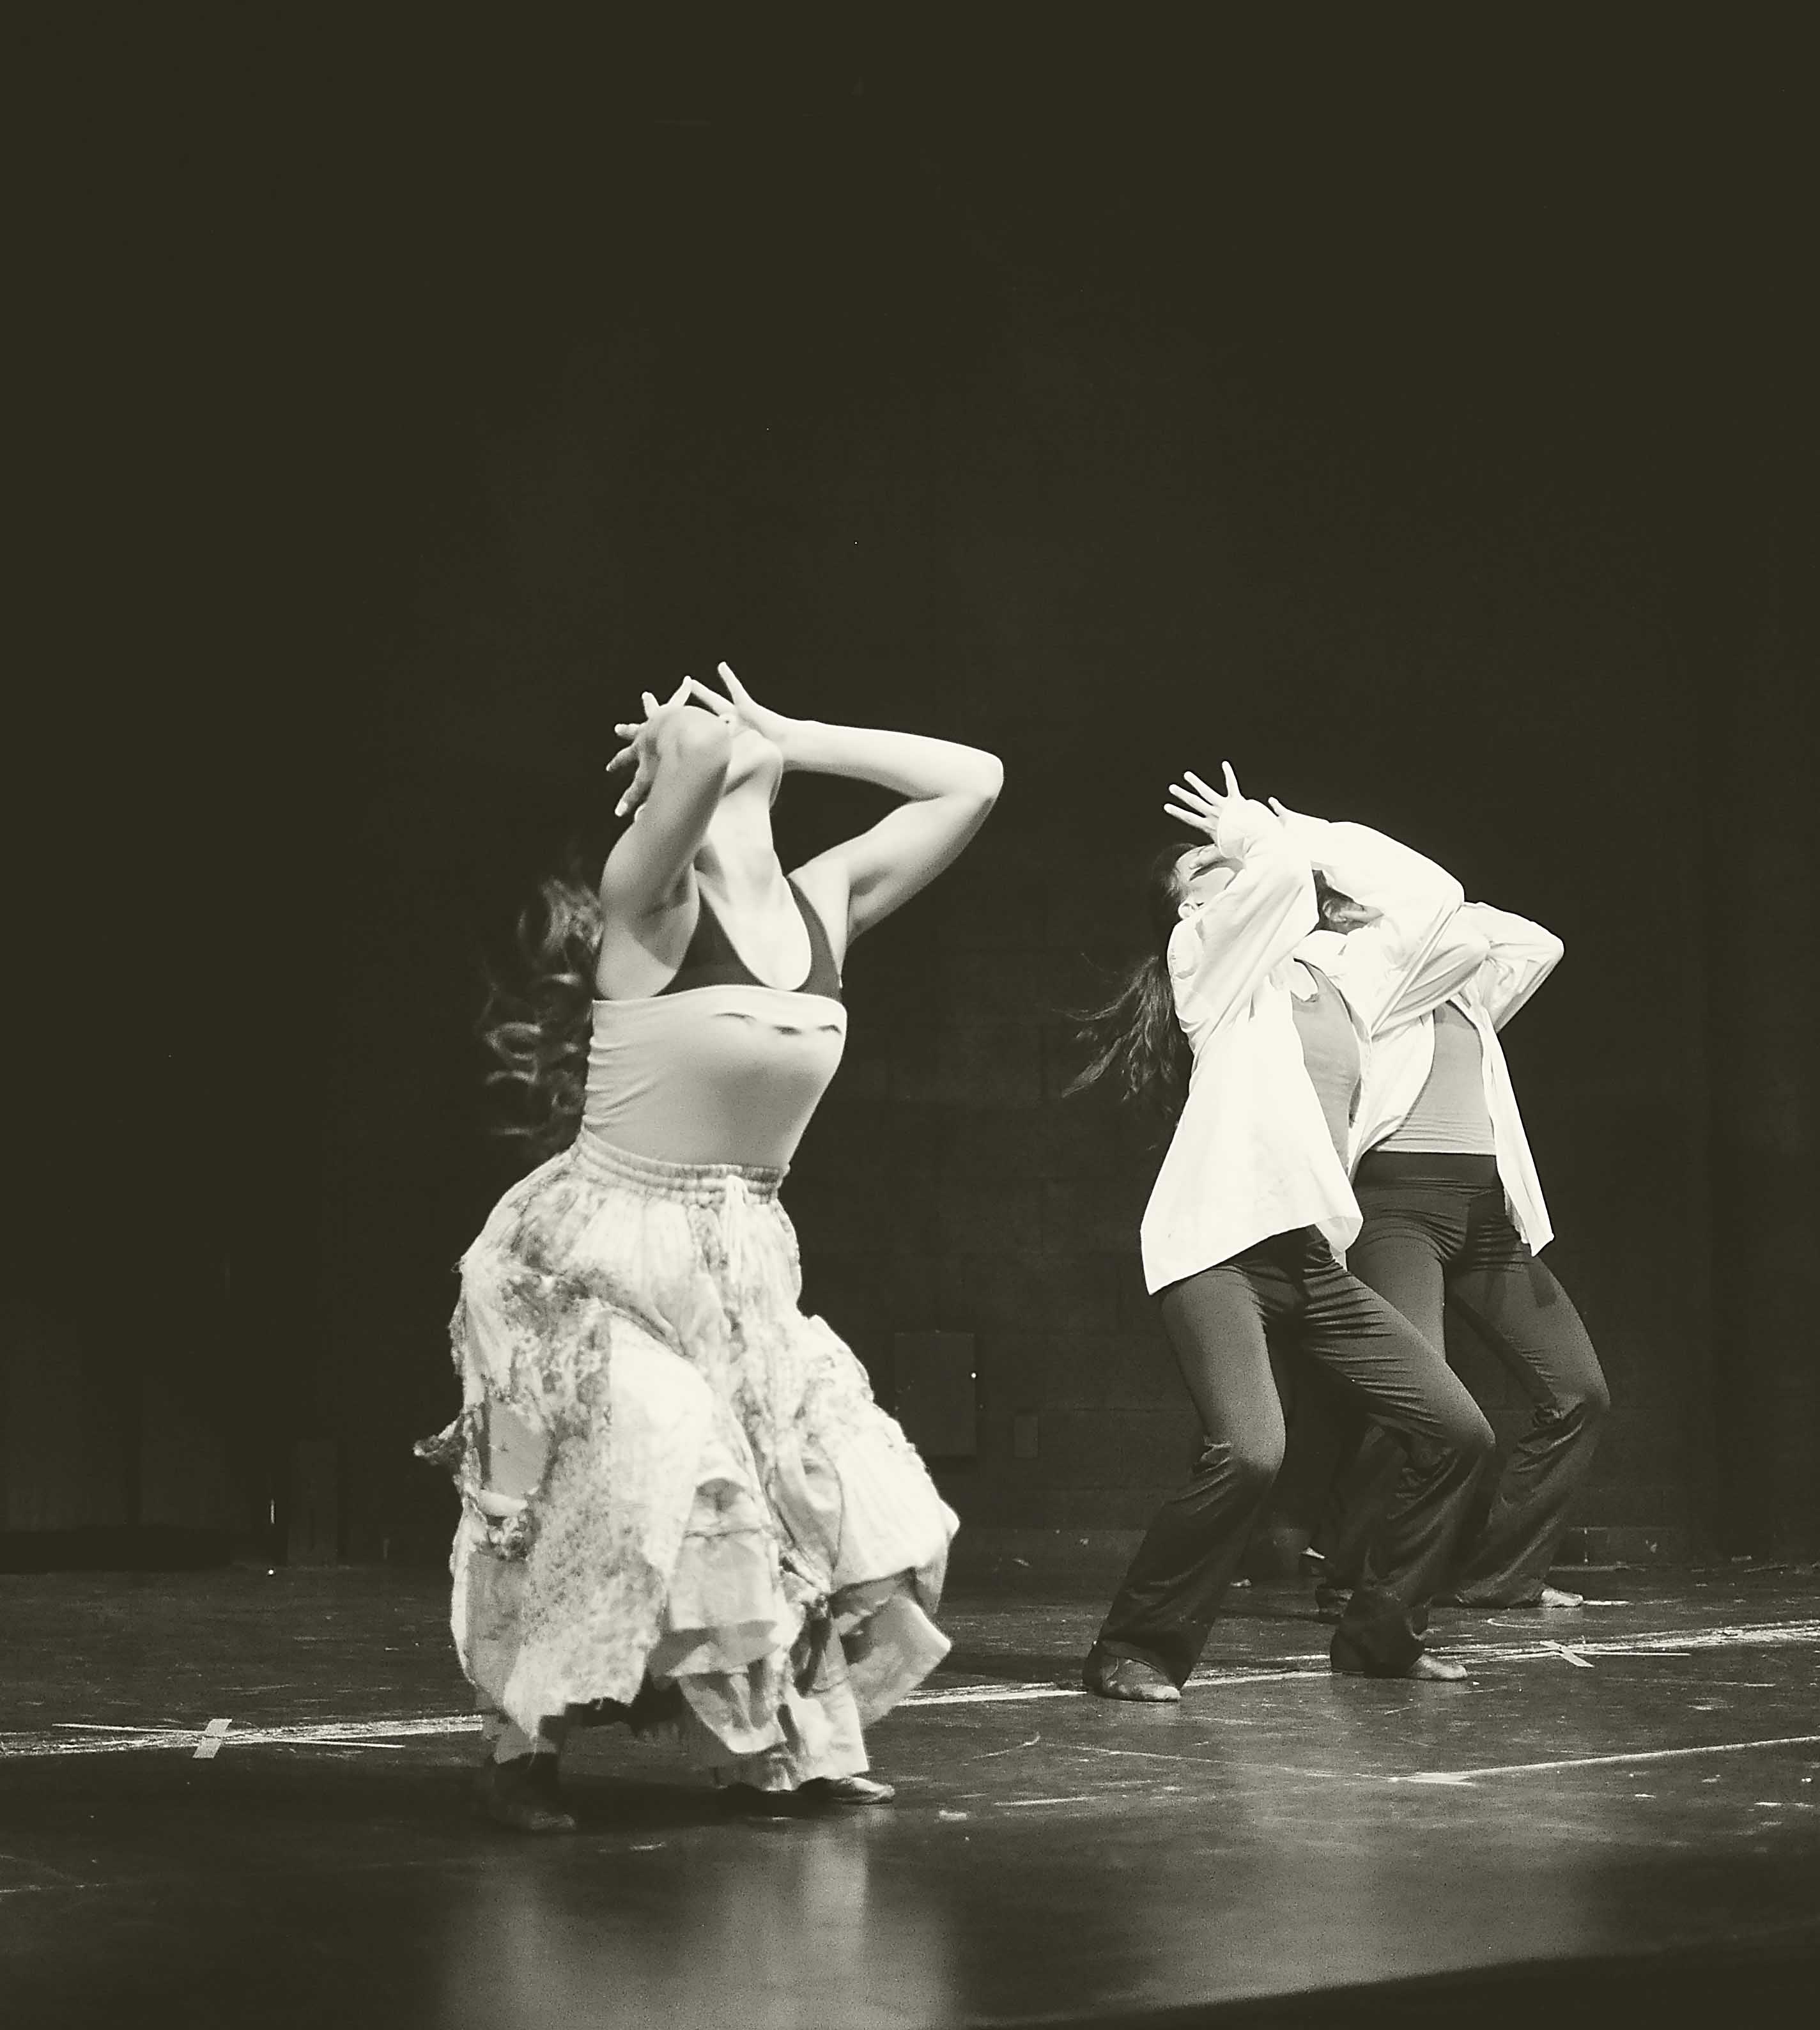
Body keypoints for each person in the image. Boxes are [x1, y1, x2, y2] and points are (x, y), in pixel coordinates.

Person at [420, 663, 1003, 1830]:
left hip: (737, 1261)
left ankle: (777, 1755)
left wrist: (797, 729)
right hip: (580, 1263)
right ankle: (518, 1749)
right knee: (629, 1473)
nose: (721, 722)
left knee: (808, 1488)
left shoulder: (824, 899)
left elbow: (973, 779)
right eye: (703, 731)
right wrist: (685, 740)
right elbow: (689, 759)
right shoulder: (652, 896)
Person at [1077, 764, 1498, 1699]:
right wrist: (1253, 843)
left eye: (1224, 859)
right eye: (1201, 870)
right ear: (1187, 909)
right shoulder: (1208, 967)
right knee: (1251, 1452)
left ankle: (1379, 1637)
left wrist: (1296, 828)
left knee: (1458, 1433)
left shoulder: (1342, 981)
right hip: (1217, 1248)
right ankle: (1133, 1647)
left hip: (1312, 1258)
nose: (1223, 869)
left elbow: (1438, 906)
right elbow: (1268, 885)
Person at [1271, 802, 1608, 1618]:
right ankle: (1359, 1578)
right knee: (1415, 1399)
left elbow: (1535, 944)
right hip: (1396, 1208)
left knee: (1577, 1391)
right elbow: (1436, 916)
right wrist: (1328, 857)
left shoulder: (1458, 991)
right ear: (1332, 909)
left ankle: (1500, 1576)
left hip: (1485, 1210)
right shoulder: (1345, 975)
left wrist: (1429, 908)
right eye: (1352, 894)